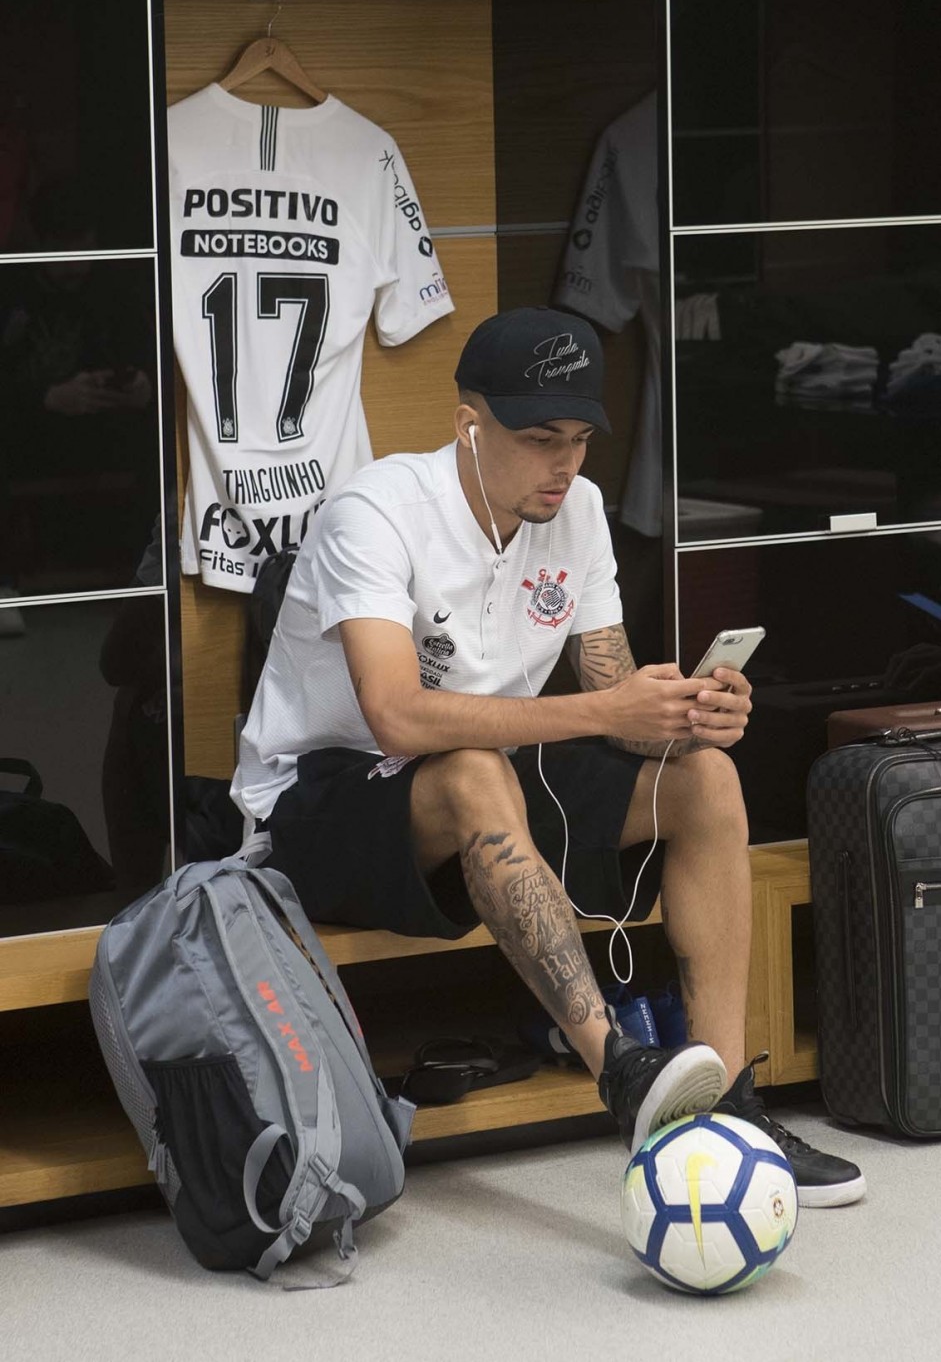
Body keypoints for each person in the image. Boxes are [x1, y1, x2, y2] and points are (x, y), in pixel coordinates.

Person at [233, 306, 865, 1206]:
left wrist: (681, 715)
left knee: (705, 782)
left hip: (493, 768)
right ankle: (623, 1071)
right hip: (319, 801)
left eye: (576, 439)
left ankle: (723, 1104)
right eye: (538, 439)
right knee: (471, 770)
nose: (563, 464)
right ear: (469, 423)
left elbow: (610, 699)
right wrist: (605, 705)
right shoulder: (371, 512)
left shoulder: (578, 513)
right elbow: (398, 720)